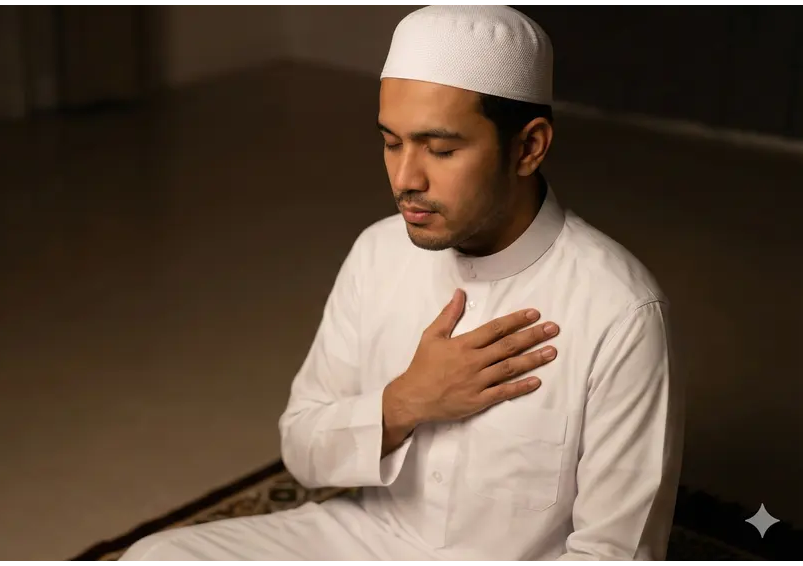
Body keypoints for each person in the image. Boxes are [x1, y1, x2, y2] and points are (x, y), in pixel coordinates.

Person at [120, 4, 684, 563]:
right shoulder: (377, 252)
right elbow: (303, 449)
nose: (405, 179)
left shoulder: (620, 311)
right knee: (153, 558)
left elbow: (613, 555)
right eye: (392, 143)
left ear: (528, 147)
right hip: (361, 543)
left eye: (441, 150)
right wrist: (406, 402)